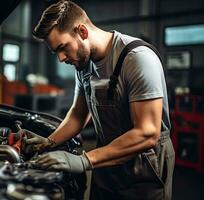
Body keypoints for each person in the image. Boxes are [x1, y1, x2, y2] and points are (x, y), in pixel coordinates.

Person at [20, 1, 175, 199]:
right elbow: (78, 114)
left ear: (82, 31)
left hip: (143, 168)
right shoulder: (83, 65)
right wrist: (48, 142)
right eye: (55, 52)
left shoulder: (137, 58)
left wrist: (84, 161)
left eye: (63, 47)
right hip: (106, 162)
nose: (60, 58)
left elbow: (147, 133)